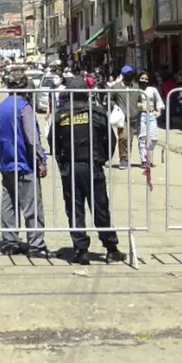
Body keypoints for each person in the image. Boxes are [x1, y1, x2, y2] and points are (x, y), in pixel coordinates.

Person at [49, 78, 125, 265]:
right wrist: (102, 159)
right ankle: (111, 249)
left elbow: (53, 141)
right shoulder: (96, 112)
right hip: (92, 166)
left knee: (75, 210)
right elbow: (110, 140)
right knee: (100, 208)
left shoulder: (61, 115)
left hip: (70, 167)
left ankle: (81, 250)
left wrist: (62, 163)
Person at [0, 70, 49, 258]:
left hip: (6, 163)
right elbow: (32, 138)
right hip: (25, 163)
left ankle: (10, 243)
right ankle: (36, 245)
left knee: (9, 205)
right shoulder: (24, 107)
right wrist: (41, 159)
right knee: (32, 207)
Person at [109, 66, 144, 169]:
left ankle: (127, 158)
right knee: (123, 137)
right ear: (123, 75)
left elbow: (139, 100)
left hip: (133, 116)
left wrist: (140, 107)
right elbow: (110, 99)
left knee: (130, 139)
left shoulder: (136, 87)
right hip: (122, 117)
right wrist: (114, 106)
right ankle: (123, 158)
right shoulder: (115, 87)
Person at [137, 71, 164, 172]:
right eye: (142, 78)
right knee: (142, 139)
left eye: (146, 79)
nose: (144, 80)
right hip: (141, 115)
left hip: (152, 115)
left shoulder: (153, 89)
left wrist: (159, 111)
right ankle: (144, 160)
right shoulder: (136, 90)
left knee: (153, 138)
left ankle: (148, 155)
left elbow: (159, 100)